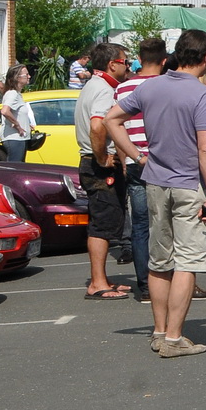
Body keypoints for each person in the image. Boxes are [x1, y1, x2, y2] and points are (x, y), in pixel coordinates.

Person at [105, 29, 206, 359]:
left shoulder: (150, 86)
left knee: (160, 259)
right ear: (205, 58)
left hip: (155, 180)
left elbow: (111, 119)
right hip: (188, 183)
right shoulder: (201, 94)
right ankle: (173, 338)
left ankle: (159, 332)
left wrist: (138, 155)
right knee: (187, 260)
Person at [74, 42, 132, 299]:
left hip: (93, 161)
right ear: (112, 64)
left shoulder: (95, 85)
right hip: (97, 165)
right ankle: (97, 282)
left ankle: (102, 279)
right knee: (102, 222)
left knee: (105, 219)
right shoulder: (104, 89)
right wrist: (102, 159)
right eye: (124, 62)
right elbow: (98, 126)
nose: (127, 66)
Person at [114, 39, 166, 300]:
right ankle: (165, 280)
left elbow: (116, 124)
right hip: (163, 161)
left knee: (141, 224)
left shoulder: (123, 88)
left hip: (136, 160)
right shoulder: (166, 86)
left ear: (139, 59)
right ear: (164, 60)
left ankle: (145, 284)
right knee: (166, 223)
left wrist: (126, 156)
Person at [0, 65, 33, 161]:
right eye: (26, 74)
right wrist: (17, 125)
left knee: (19, 168)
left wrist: (26, 124)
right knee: (14, 168)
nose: (29, 76)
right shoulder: (12, 93)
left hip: (19, 138)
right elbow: (5, 111)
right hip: (14, 138)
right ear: (17, 78)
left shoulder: (17, 94)